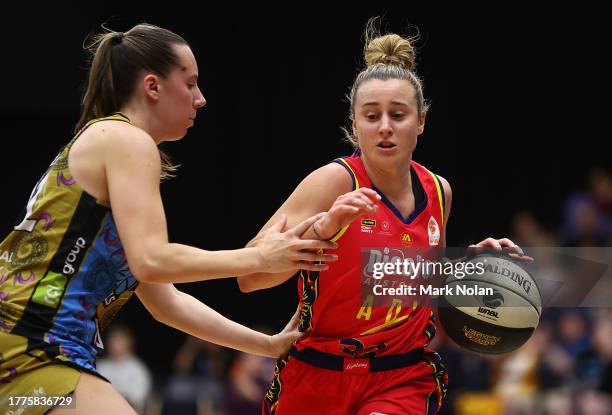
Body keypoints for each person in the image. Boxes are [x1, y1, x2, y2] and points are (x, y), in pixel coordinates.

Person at [0, 23, 339, 415]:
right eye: (190, 83)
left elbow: (167, 302)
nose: (201, 99)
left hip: (34, 346)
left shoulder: (112, 143)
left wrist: (265, 345)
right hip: (30, 343)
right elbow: (153, 259)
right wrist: (261, 258)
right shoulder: (127, 140)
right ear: (152, 86)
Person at [238, 21, 527, 415]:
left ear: (421, 121)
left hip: (399, 375)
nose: (386, 127)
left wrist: (470, 268)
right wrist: (318, 236)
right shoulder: (333, 182)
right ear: (355, 124)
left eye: (399, 114)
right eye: (372, 116)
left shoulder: (439, 190)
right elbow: (249, 277)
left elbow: (423, 290)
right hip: (319, 374)